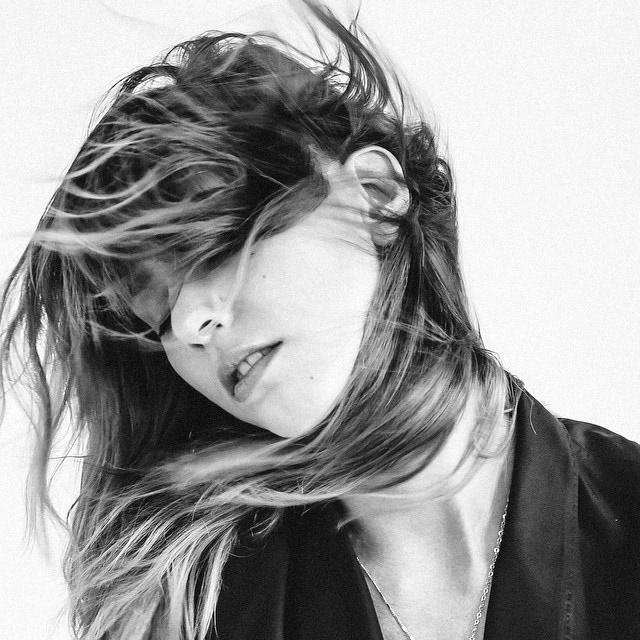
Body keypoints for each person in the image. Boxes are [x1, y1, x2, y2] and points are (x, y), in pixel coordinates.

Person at [1, 3, 638, 639]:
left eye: (215, 248)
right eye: (157, 316)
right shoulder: (187, 608)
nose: (190, 323)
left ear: (376, 196)